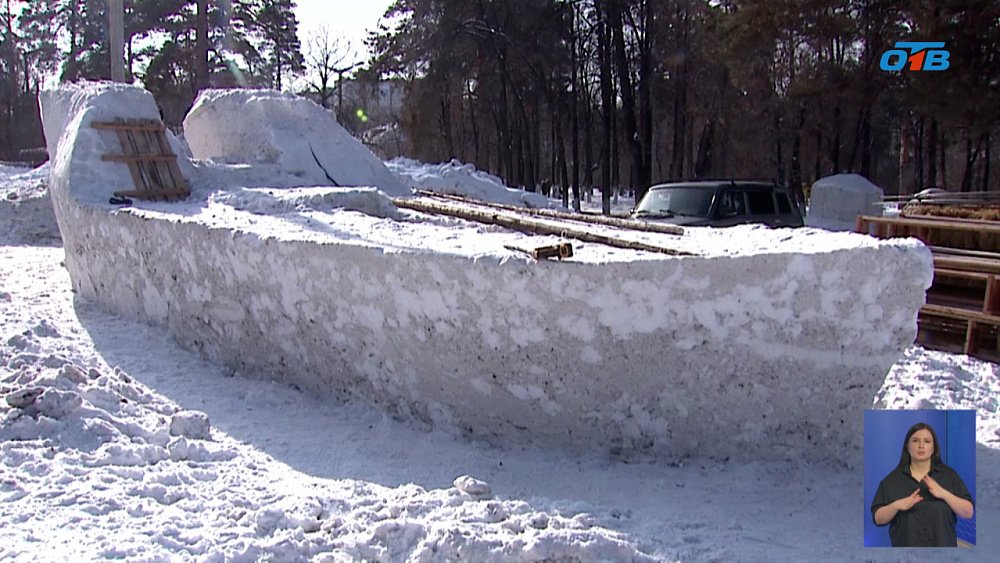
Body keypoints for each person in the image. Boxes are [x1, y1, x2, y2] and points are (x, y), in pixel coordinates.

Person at [870, 422, 975, 547]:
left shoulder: (949, 476)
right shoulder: (891, 481)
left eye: (927, 441)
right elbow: (878, 519)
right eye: (915, 441)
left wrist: (943, 493)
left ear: (933, 448)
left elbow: (968, 512)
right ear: (907, 447)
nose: (921, 446)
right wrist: (896, 505)